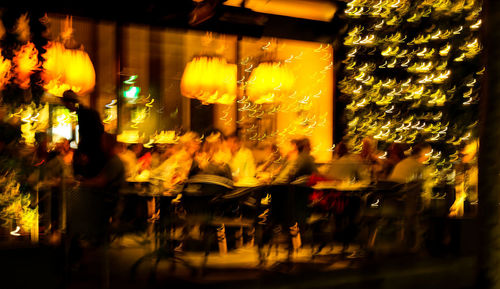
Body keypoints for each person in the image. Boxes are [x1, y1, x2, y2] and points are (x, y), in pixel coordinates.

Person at [61, 90, 105, 178]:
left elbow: (89, 135)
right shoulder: (85, 112)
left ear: (70, 103)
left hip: (92, 152)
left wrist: (81, 151)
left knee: (84, 175)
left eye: (66, 105)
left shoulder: (84, 114)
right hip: (94, 150)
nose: (66, 107)